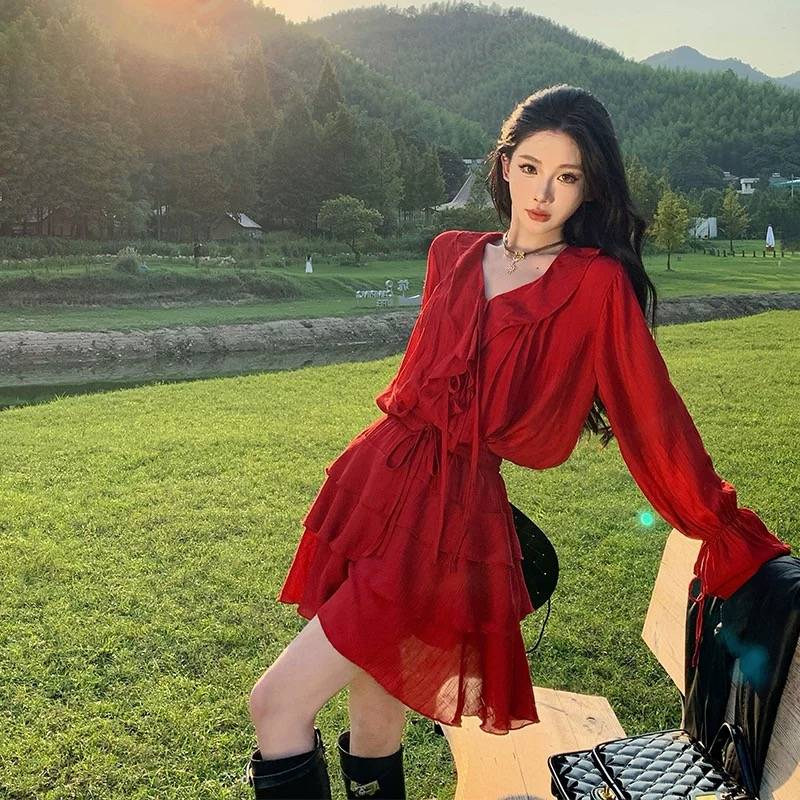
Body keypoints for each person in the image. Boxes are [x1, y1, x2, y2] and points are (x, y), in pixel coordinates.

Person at [244, 84, 792, 799]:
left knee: (275, 705)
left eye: (567, 176)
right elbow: (424, 386)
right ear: (504, 166)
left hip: (444, 521)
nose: (543, 193)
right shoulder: (450, 253)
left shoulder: (594, 283)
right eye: (530, 168)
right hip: (375, 485)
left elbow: (651, 414)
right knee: (375, 709)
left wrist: (717, 522)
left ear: (588, 188)